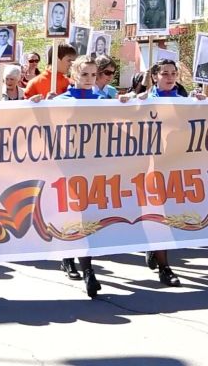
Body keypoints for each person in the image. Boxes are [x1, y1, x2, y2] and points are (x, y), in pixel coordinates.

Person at [30, 56, 130, 297]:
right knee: (74, 215)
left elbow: (119, 127)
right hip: (68, 167)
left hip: (94, 168)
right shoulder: (62, 101)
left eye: (94, 75)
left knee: (87, 219)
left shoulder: (102, 101)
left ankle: (84, 267)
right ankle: (80, 265)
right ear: (74, 75)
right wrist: (34, 106)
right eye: (84, 75)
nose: (89, 79)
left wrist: (127, 106)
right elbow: (43, 126)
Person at [130, 59, 206, 287]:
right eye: (165, 73)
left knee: (171, 215)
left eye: (173, 73)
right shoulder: (144, 100)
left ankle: (155, 250)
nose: (170, 77)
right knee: (158, 214)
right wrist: (131, 102)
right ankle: (164, 266)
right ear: (154, 76)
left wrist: (203, 103)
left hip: (177, 165)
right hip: (151, 165)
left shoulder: (184, 102)